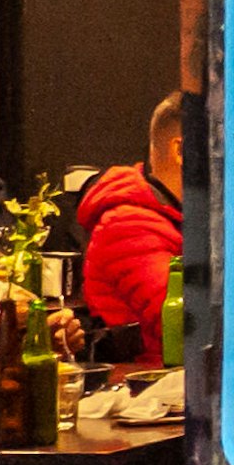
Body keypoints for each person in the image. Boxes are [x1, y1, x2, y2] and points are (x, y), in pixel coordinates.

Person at [77, 92, 189, 361]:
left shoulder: (170, 217)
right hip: (149, 393)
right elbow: (187, 326)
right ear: (181, 151)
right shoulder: (128, 225)